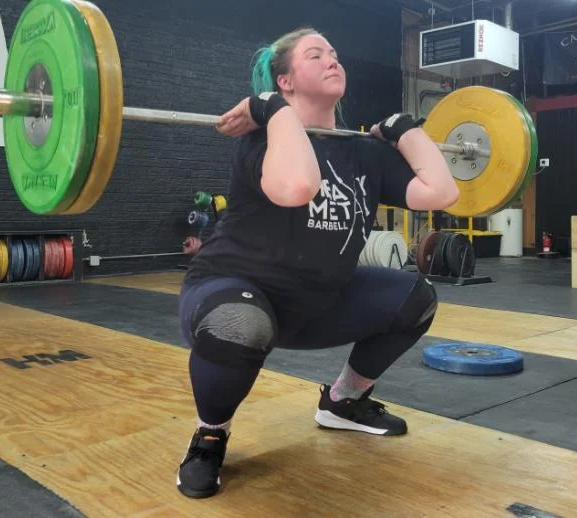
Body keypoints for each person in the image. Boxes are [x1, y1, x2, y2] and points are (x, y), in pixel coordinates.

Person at [176, 27, 459, 499]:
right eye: (315, 55)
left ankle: (342, 402)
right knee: (241, 325)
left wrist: (406, 131)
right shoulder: (261, 138)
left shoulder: (365, 153)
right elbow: (297, 188)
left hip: (316, 303)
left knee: (416, 298)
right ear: (284, 81)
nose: (333, 60)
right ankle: (211, 434)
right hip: (232, 290)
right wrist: (270, 111)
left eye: (334, 53)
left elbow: (442, 192)